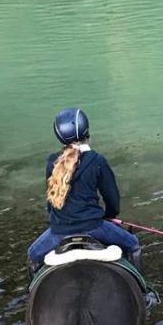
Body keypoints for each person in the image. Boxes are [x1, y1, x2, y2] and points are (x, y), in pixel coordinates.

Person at [27, 107, 141, 275]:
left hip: (59, 231)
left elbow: (51, 204)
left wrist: (59, 221)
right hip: (94, 226)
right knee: (133, 244)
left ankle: (32, 295)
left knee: (32, 255)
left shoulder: (52, 162)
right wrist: (110, 216)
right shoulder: (98, 160)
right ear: (87, 132)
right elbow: (112, 199)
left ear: (60, 137)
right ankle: (145, 293)